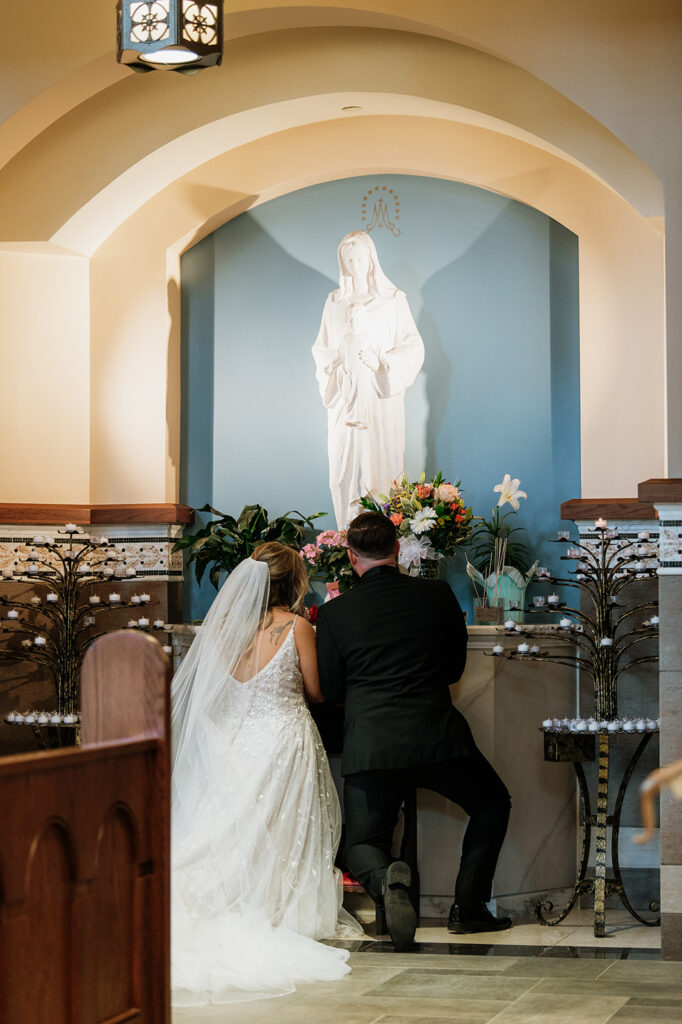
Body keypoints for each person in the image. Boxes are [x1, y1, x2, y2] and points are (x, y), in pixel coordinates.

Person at [171, 542, 362, 1006]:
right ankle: (273, 909)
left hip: (230, 745)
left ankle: (225, 898)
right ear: (292, 581)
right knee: (279, 833)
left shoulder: (220, 631)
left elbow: (210, 693)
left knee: (229, 827)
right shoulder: (297, 627)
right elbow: (316, 692)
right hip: (281, 741)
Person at [315, 512, 512, 950]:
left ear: (351, 558)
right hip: (436, 737)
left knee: (360, 844)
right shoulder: (437, 594)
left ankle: (387, 880)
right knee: (492, 803)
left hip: (371, 743)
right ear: (398, 549)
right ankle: (469, 908)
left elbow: (329, 689)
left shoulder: (334, 613)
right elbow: (453, 668)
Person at [312, 230, 424, 529]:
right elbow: (321, 350)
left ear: (371, 259)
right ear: (343, 263)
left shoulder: (392, 300)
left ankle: (383, 542)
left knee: (380, 468)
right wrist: (334, 363)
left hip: (379, 406)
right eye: (348, 259)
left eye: (359, 257)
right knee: (344, 472)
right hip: (344, 406)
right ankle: (346, 542)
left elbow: (413, 347)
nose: (354, 263)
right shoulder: (335, 303)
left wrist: (383, 364)